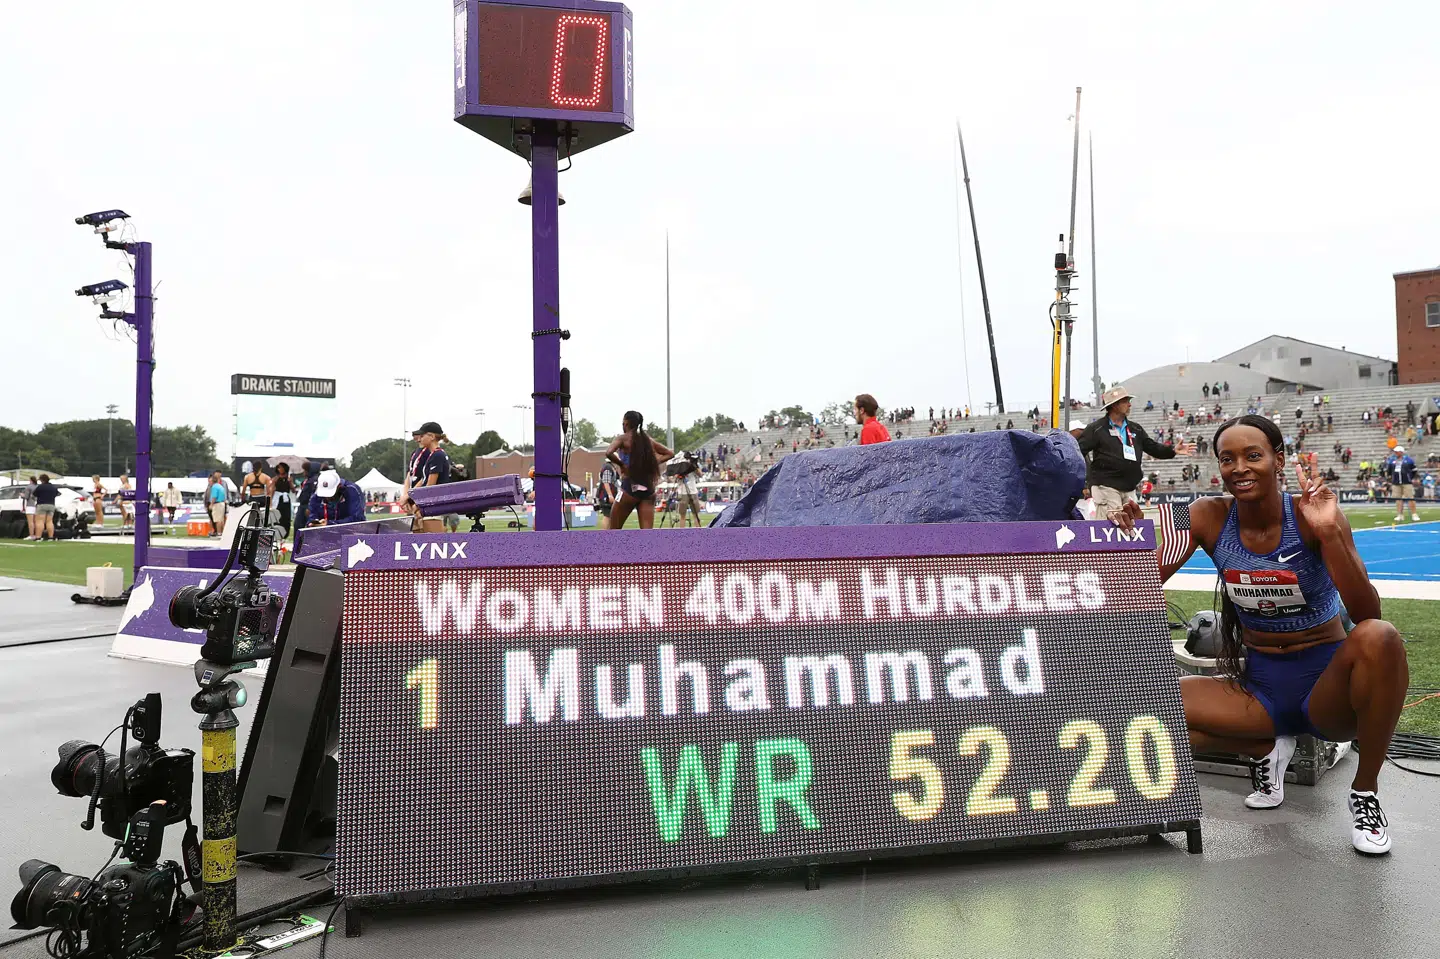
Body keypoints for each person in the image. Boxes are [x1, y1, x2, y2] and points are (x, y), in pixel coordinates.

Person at [1128, 414, 1405, 854]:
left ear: (1278, 460)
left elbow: (1367, 612)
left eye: (1252, 455)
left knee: (1381, 636)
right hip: (1261, 688)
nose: (1239, 467)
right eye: (1228, 458)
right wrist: (1129, 539)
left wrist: (1330, 534)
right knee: (1150, 706)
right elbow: (1138, 579)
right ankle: (1263, 748)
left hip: (1325, 689)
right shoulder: (1203, 513)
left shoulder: (1314, 515)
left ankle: (1365, 793)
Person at [1075, 385, 1195, 523]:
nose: (1129, 404)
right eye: (1125, 401)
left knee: (1132, 526)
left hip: (1129, 487)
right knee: (1111, 527)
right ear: (1114, 405)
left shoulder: (1135, 428)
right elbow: (1079, 452)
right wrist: (1084, 482)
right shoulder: (1096, 429)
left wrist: (1173, 450)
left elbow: (1152, 447)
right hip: (1105, 486)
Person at [604, 411, 674, 530]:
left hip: (629, 487)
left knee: (614, 531)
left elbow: (609, 452)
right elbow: (670, 453)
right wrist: (652, 464)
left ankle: (614, 549)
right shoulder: (647, 441)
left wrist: (621, 465)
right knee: (646, 536)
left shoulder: (623, 438)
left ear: (626, 423)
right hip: (648, 490)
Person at [401, 422, 451, 533]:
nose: (420, 439)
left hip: (433, 505)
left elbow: (430, 486)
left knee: (436, 543)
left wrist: (417, 505)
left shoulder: (438, 455)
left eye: (422, 436)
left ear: (432, 437)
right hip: (428, 504)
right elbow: (425, 480)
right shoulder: (433, 455)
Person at [1387, 446, 1419, 522]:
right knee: (1398, 499)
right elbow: (1389, 471)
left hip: (1406, 481)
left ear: (1401, 452)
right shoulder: (1392, 460)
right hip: (1396, 482)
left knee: (1410, 498)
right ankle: (1400, 514)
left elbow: (1414, 470)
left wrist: (1410, 477)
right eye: (1395, 451)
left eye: (1397, 452)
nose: (1395, 453)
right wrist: (1392, 478)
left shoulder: (1408, 460)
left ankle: (1414, 514)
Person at [675, 454, 705, 528]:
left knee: (696, 514)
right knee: (682, 515)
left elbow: (700, 474)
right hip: (683, 492)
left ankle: (698, 531)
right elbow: (676, 477)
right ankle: (682, 532)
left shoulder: (693, 466)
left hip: (693, 491)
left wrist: (695, 466)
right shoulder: (679, 466)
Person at [269, 463, 295, 535]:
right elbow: (272, 491)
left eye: (281, 468)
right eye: (278, 468)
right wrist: (270, 503)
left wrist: (291, 483)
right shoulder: (276, 479)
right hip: (278, 499)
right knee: (278, 516)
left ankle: (286, 532)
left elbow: (293, 490)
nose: (279, 469)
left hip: (286, 500)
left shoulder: (289, 478)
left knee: (286, 517)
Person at [32, 474, 60, 542]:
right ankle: (50, 537)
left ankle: (38, 537)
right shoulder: (53, 487)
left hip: (41, 505)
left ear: (42, 480)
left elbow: (34, 495)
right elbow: (58, 494)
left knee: (40, 521)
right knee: (49, 521)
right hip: (51, 505)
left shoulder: (40, 487)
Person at [596, 459, 620, 529]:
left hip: (609, 494)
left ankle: (608, 533)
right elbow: (606, 482)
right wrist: (610, 495)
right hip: (605, 495)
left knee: (610, 516)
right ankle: (604, 534)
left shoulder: (611, 467)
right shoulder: (607, 468)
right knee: (607, 515)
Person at [207, 471, 228, 537]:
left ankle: (219, 533)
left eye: (210, 481)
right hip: (222, 503)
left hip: (217, 504)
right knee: (221, 519)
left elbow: (214, 497)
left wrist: (211, 504)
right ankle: (221, 532)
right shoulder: (220, 486)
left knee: (217, 520)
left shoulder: (214, 487)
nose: (209, 482)